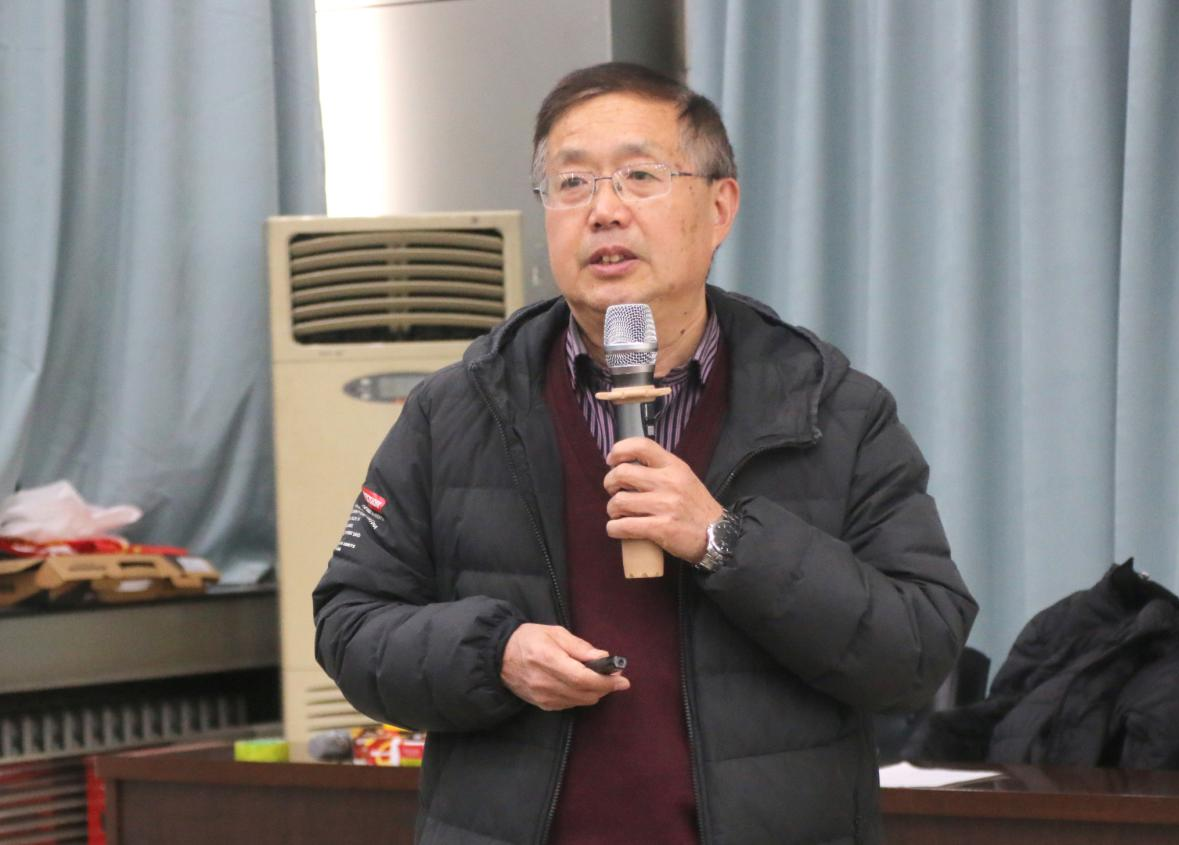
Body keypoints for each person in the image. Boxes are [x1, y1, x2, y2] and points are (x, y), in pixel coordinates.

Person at [313, 62, 977, 845]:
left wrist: (725, 540)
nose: (604, 210)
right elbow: (350, 624)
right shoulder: (457, 408)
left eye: (639, 176)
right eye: (572, 183)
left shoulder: (832, 408)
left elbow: (919, 649)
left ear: (720, 206)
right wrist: (493, 653)